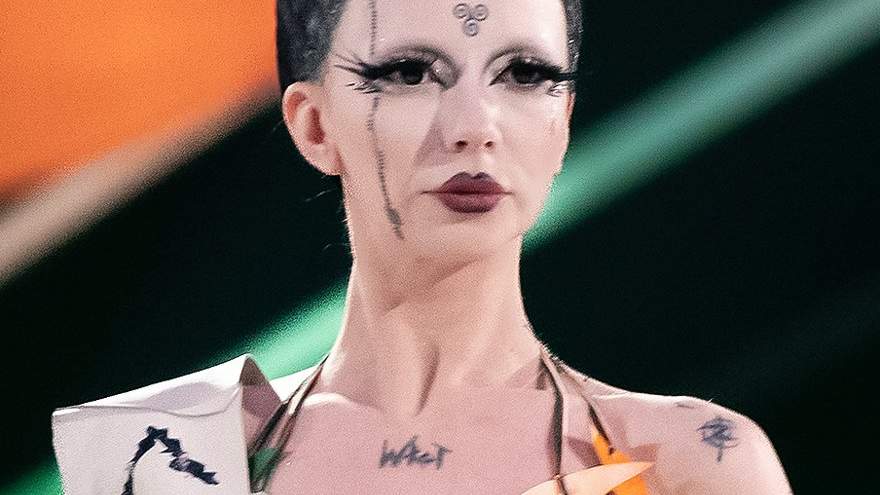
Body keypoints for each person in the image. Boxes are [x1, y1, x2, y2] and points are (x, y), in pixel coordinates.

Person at [52, 0, 793, 493]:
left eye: (524, 74)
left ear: (562, 122)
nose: (474, 124)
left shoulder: (693, 462)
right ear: (314, 126)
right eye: (409, 73)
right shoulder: (153, 456)